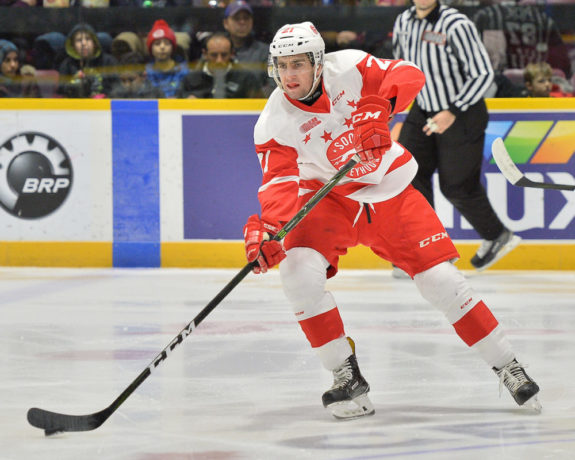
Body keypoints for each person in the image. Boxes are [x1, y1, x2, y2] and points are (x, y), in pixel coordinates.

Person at [242, 21, 541, 420]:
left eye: (299, 63)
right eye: (282, 65)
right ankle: (345, 376)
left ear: (318, 61)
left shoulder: (349, 66)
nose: (289, 75)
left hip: (390, 188)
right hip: (330, 199)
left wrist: (377, 104)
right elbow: (279, 184)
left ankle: (507, 365)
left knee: (441, 282)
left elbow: (409, 74)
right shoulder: (272, 122)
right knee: (296, 272)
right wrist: (270, 230)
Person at [392, 0, 520, 273]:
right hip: (423, 109)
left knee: (457, 186)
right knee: (409, 175)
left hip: (463, 112)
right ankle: (429, 249)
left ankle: (497, 235)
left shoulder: (456, 24)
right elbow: (401, 68)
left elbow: (483, 73)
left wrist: (453, 110)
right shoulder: (403, 22)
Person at [473, 0, 572, 79]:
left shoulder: (487, 15)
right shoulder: (543, 18)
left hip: (502, 82)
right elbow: (563, 64)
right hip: (535, 81)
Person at [177, 33, 263, 99]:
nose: (219, 60)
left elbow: (259, 109)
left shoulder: (246, 78)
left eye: (224, 55)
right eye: (214, 55)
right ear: (205, 54)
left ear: (232, 54)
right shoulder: (190, 79)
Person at [222, 0, 273, 96]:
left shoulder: (266, 52)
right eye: (236, 18)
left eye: (246, 18)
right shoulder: (217, 51)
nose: (242, 22)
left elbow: (273, 84)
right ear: (226, 23)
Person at [58, 23, 118, 98]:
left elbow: (117, 87)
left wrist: (106, 96)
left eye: (88, 39)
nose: (84, 43)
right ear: (72, 46)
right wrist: (73, 83)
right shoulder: (67, 64)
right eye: (79, 40)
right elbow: (61, 90)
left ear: (95, 43)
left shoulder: (108, 61)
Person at [145, 19, 189, 98]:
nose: (162, 47)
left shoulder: (184, 71)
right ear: (150, 48)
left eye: (167, 43)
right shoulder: (146, 73)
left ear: (172, 47)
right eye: (157, 44)